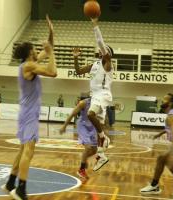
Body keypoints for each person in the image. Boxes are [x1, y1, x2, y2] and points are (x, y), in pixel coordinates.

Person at [2, 15, 57, 200]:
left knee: (22, 150)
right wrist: (51, 54)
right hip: (29, 114)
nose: (37, 51)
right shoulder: (29, 66)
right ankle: (20, 190)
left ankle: (10, 182)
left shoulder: (28, 64)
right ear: (29, 53)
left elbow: (48, 47)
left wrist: (51, 32)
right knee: (29, 151)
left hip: (26, 113)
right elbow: (53, 72)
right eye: (34, 50)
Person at [73, 17, 113, 171]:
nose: (102, 51)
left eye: (105, 50)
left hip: (103, 94)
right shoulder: (94, 65)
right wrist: (76, 59)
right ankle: (101, 156)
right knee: (99, 129)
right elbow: (78, 71)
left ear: (108, 54)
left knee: (90, 115)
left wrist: (95, 24)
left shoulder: (108, 64)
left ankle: (105, 138)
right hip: (95, 96)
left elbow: (101, 43)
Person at [59, 93, 97, 182]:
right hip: (83, 124)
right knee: (88, 147)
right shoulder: (83, 103)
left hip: (92, 126)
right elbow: (72, 114)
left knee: (94, 150)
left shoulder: (100, 104)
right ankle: (81, 170)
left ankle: (84, 158)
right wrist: (64, 126)